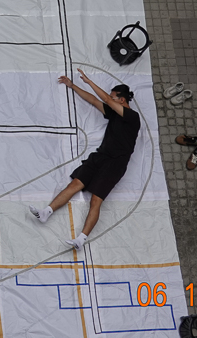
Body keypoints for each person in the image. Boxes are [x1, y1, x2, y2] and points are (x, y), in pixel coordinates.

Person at [29, 70, 140, 251]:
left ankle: (81, 239)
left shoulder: (132, 117)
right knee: (75, 184)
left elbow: (105, 99)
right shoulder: (113, 113)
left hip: (116, 164)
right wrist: (72, 85)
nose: (109, 100)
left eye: (113, 97)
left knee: (96, 200)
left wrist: (89, 82)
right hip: (100, 156)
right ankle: (45, 212)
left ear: (122, 100)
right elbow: (93, 100)